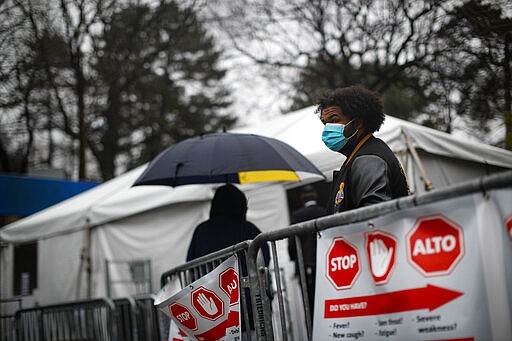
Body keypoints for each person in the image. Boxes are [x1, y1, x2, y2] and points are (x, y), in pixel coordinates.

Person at [186, 183, 270, 333]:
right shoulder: (250, 229)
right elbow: (264, 261)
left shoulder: (201, 231)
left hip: (213, 312)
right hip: (249, 310)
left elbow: (191, 267)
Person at [315, 85, 409, 214]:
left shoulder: (369, 159)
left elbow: (374, 215)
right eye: (325, 124)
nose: (328, 128)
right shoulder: (359, 154)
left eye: (335, 120)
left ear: (358, 123)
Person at [287, 185, 326, 321]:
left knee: (309, 307)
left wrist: (294, 258)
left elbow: (292, 243)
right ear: (315, 196)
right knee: (326, 302)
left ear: (302, 199)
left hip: (304, 266)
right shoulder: (324, 212)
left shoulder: (297, 215)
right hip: (324, 264)